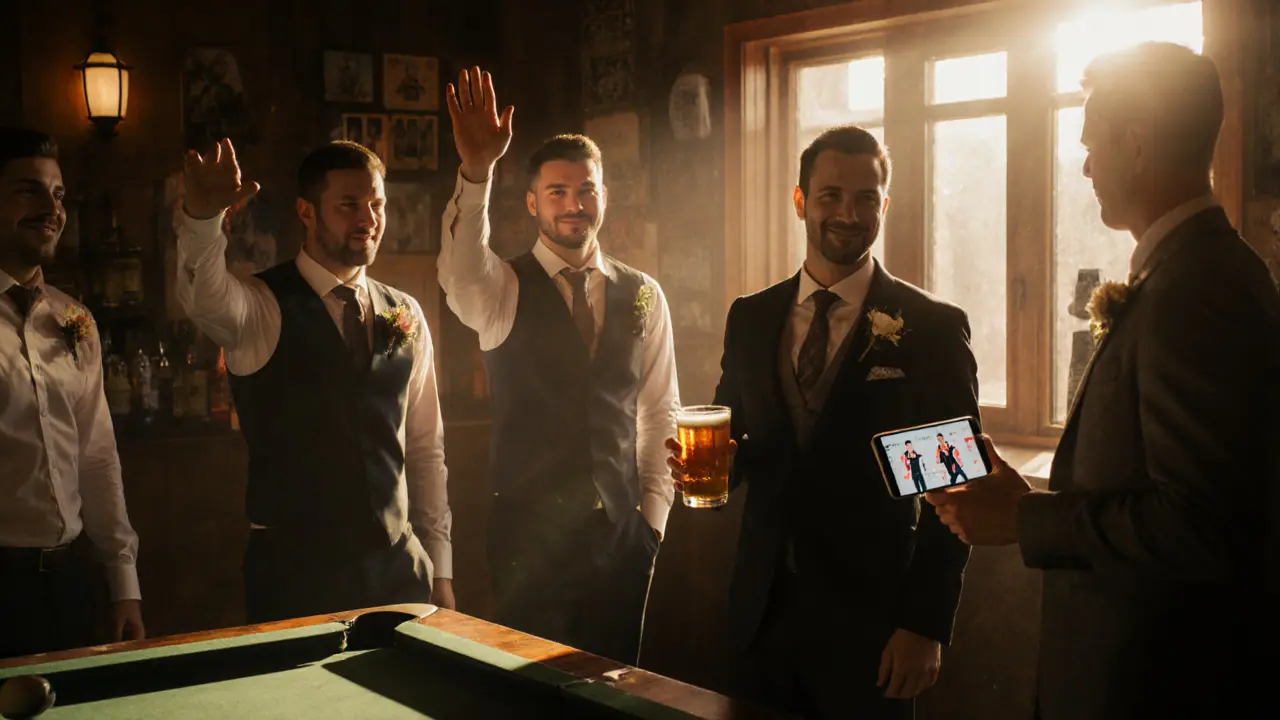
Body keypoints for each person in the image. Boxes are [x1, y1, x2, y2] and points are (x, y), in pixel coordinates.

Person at [926, 42, 1279, 720]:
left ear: (1138, 145)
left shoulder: (1197, 290)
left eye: (1092, 143)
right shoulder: (1186, 271)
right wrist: (1021, 494)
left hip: (1157, 685)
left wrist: (1025, 518)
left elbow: (1203, 526)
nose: (1085, 165)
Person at [668, 125, 977, 719]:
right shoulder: (752, 317)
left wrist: (925, 625)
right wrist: (714, 469)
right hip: (761, 615)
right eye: (831, 195)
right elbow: (743, 441)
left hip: (875, 626)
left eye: (866, 198)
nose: (848, 213)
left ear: (884, 205)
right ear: (800, 201)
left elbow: (951, 493)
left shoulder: (930, 328)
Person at [439, 67, 678, 665]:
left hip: (623, 540)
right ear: (531, 203)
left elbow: (659, 410)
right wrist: (476, 173)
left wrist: (651, 523)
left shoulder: (643, 292)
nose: (575, 205)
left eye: (587, 190)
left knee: (617, 693)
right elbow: (458, 272)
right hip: (529, 544)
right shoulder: (500, 288)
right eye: (558, 192)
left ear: (604, 195)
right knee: (535, 700)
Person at [175, 138, 454, 623]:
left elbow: (425, 449)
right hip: (295, 575)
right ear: (306, 211)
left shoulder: (405, 311)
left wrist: (440, 563)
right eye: (348, 204)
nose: (367, 219)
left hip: (398, 568)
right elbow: (203, 298)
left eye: (376, 204)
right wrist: (202, 220)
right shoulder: (260, 305)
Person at [0, 127, 144, 658]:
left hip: (70, 582)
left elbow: (97, 458)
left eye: (58, 195)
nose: (50, 209)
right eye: (28, 191)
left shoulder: (72, 318)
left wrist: (123, 582)